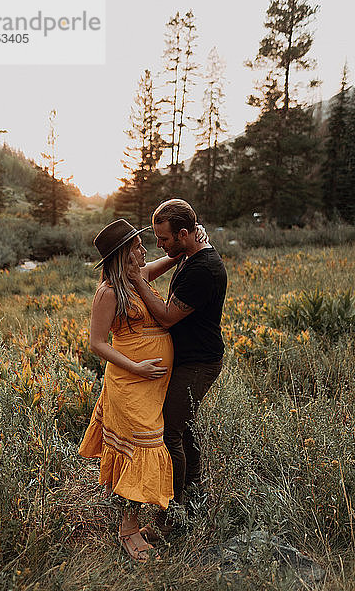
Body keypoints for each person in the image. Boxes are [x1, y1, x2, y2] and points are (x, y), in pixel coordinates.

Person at [79, 218, 181, 562]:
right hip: (129, 382)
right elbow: (96, 343)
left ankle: (131, 518)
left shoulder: (139, 278)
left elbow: (167, 261)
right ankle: (128, 530)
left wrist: (191, 246)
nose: (144, 249)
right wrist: (136, 366)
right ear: (125, 254)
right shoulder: (108, 292)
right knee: (142, 448)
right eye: (137, 246)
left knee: (144, 447)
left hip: (153, 384)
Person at [127, 199, 227, 539]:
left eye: (164, 238)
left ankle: (174, 515)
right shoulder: (192, 253)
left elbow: (168, 316)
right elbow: (174, 255)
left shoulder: (203, 269)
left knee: (170, 431)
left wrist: (138, 281)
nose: (159, 244)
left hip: (198, 362)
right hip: (189, 359)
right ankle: (195, 495)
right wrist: (179, 251)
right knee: (184, 428)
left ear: (184, 234)